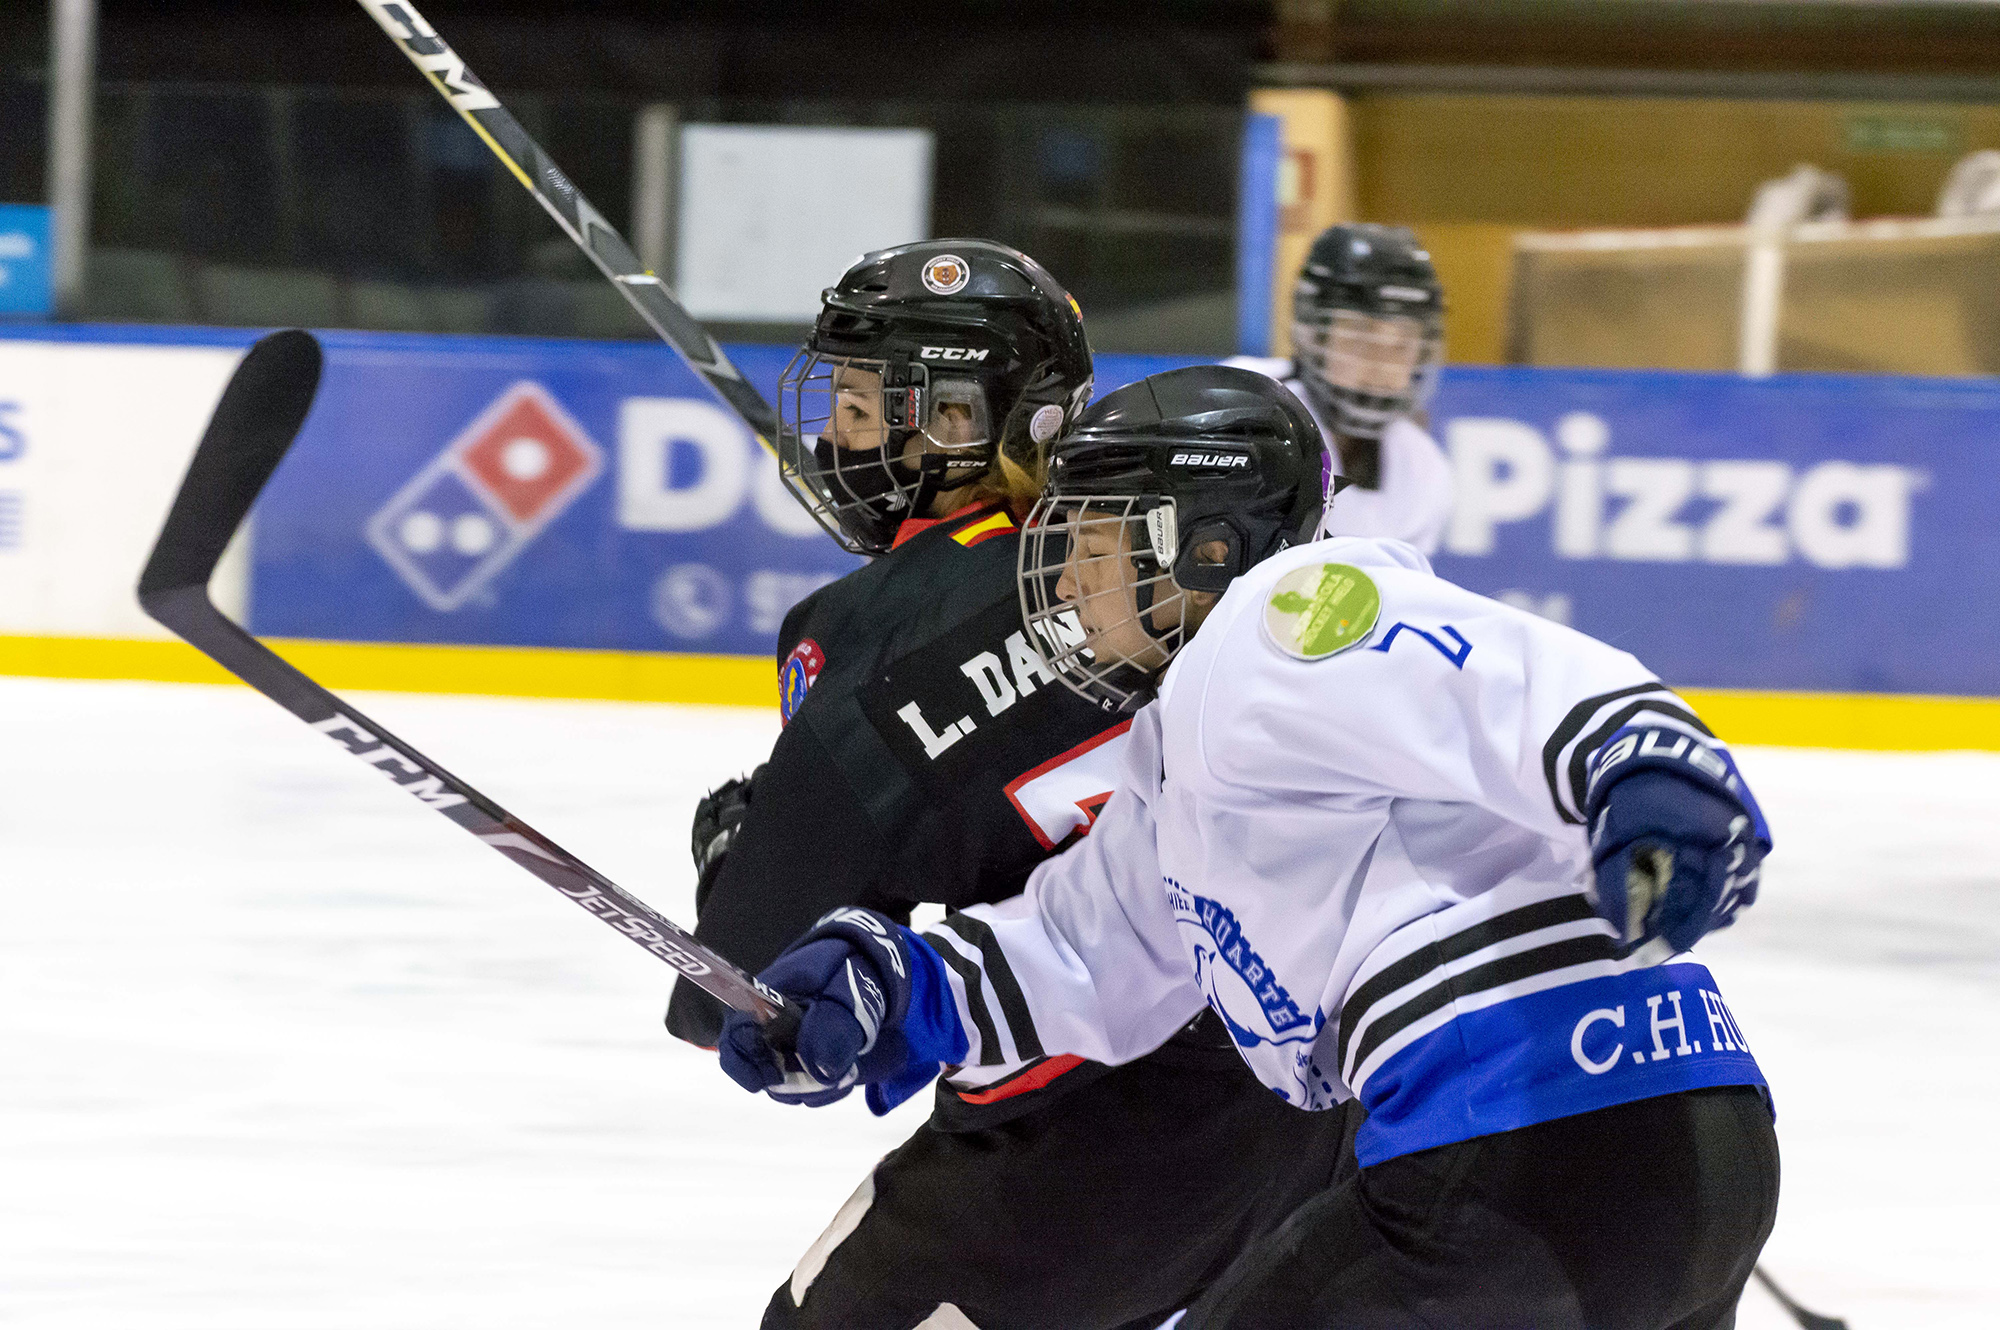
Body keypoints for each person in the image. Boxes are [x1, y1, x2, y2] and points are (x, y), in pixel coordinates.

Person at [720, 365, 1781, 1329]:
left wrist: (1650, 774)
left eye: (1090, 545)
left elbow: (1503, 676)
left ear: (1204, 546)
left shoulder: (1279, 617)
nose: (1063, 588)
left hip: (1531, 1139)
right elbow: (1090, 945)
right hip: (1695, 1136)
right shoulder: (1183, 755)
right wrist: (892, 988)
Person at [668, 244, 1353, 1330]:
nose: (832, 434)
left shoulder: (857, 631)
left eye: (856, 403)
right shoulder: (1141, 550)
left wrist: (734, 867)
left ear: (946, 419)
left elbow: (747, 985)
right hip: (1315, 1090)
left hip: (1081, 1121)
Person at [1229, 222, 1454, 553]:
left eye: (1401, 345)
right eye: (1360, 339)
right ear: (1314, 334)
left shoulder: (1424, 470)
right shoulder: (1242, 406)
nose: (1379, 367)